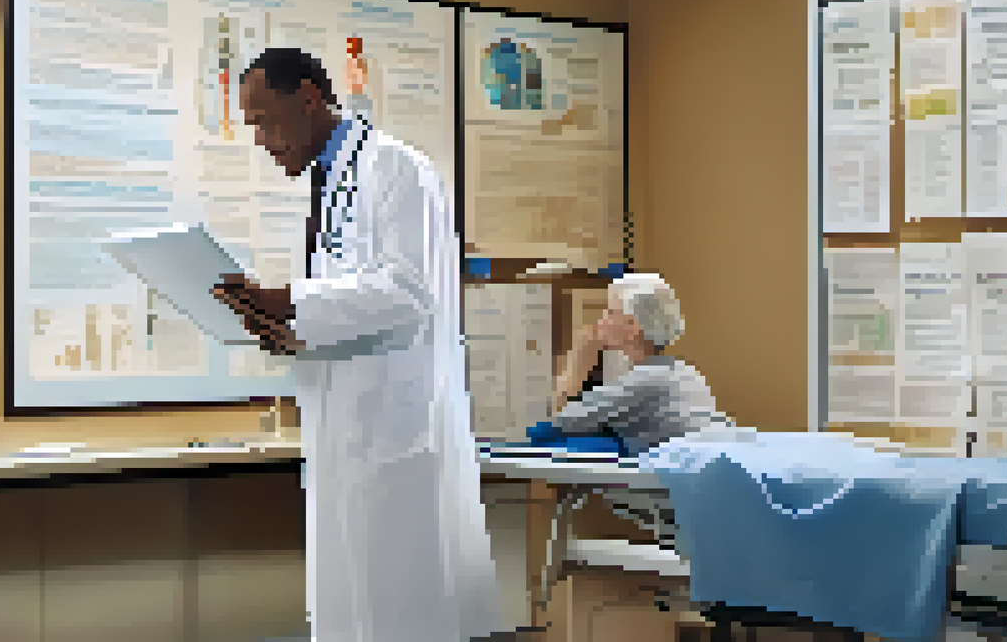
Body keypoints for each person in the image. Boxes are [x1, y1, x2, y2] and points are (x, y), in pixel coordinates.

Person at [211, 47, 507, 642]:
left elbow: (408, 290)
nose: (264, 141)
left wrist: (290, 300)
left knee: (400, 611)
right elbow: (349, 305)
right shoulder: (332, 180)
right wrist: (290, 333)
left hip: (395, 433)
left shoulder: (395, 169)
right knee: (349, 609)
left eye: (267, 121)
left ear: (310, 99)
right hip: (342, 430)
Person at [550, 273, 733, 457]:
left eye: (610, 312)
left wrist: (578, 363)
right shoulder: (685, 372)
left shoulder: (645, 379)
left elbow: (559, 421)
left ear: (632, 326)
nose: (601, 320)